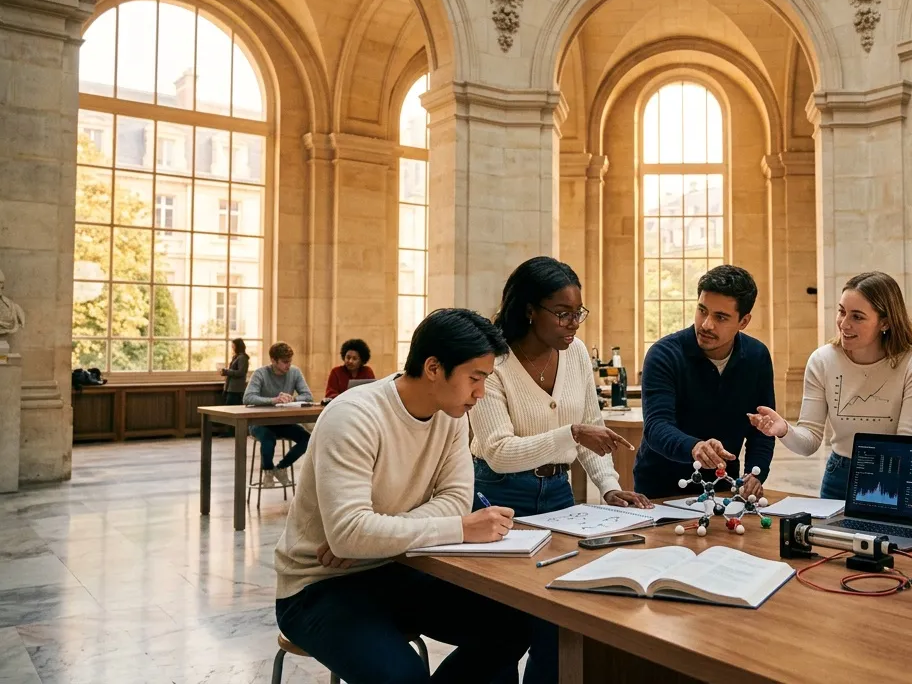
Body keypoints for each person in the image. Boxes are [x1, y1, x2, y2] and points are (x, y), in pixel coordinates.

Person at [274, 308, 532, 684]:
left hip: (398, 568)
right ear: (433, 367)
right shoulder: (353, 416)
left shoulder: (453, 416)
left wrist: (373, 538)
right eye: (475, 378)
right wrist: (459, 529)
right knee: (403, 676)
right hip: (318, 585)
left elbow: (455, 499)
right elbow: (349, 533)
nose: (481, 392)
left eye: (486, 379)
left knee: (512, 625)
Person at [470, 257, 652, 684]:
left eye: (578, 313)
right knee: (500, 627)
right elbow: (498, 451)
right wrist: (570, 433)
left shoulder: (574, 359)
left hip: (559, 494)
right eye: (563, 313)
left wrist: (609, 486)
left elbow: (590, 433)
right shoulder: (491, 363)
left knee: (561, 620)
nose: (573, 324)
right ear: (530, 309)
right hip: (499, 496)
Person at [747, 272, 912, 501]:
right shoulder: (822, 360)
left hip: (892, 474)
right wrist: (784, 429)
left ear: (885, 322)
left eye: (857, 317)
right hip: (839, 476)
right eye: (842, 311)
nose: (844, 324)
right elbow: (809, 442)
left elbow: (906, 442)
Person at [635, 265, 776, 500]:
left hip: (722, 489)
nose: (706, 324)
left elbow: (762, 428)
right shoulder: (663, 354)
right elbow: (656, 427)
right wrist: (695, 447)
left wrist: (754, 473)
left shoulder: (757, 356)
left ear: (744, 321)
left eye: (720, 317)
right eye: (702, 310)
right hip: (659, 492)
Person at [243, 342, 313, 488]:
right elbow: (248, 397)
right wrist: (274, 400)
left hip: (283, 421)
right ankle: (268, 472)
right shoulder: (260, 373)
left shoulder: (295, 372)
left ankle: (281, 468)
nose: (288, 365)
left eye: (290, 362)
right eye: (285, 362)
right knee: (268, 438)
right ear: (273, 360)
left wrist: (293, 398)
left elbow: (308, 396)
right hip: (260, 422)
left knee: (307, 439)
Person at [220, 338, 249, 406]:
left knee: (231, 408)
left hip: (236, 389)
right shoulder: (236, 357)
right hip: (230, 388)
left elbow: (241, 372)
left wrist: (227, 372)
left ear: (238, 347)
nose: (232, 348)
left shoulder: (242, 358)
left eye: (233, 346)